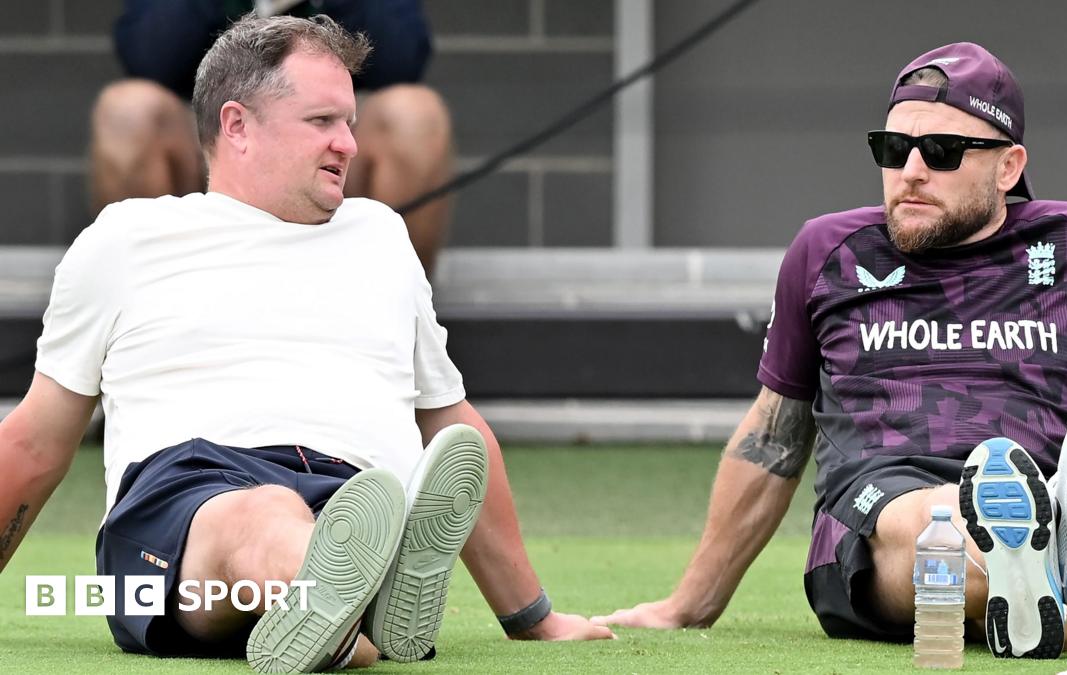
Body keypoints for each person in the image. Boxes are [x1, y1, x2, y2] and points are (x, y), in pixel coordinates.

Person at [0, 14, 611, 673]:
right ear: (237, 126)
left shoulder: (381, 236)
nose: (348, 143)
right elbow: (35, 442)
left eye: (350, 121)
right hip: (186, 504)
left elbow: (450, 425)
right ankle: (343, 599)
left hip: (357, 496)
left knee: (353, 512)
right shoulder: (126, 240)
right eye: (322, 121)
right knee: (265, 515)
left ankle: (344, 600)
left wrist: (534, 618)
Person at [593, 42, 1067, 659]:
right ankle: (1050, 560)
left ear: (1008, 167)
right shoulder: (828, 253)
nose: (910, 170)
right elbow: (775, 437)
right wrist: (689, 604)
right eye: (892, 148)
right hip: (874, 509)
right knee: (932, 526)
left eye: (941, 150)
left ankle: (1039, 566)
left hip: (1034, 482)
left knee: (1001, 528)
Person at [91, 0, 451, 275]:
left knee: (414, 114)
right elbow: (149, 57)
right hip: (210, 144)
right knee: (128, 110)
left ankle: (391, 316)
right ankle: (148, 316)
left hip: (335, 145)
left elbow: (402, 60)